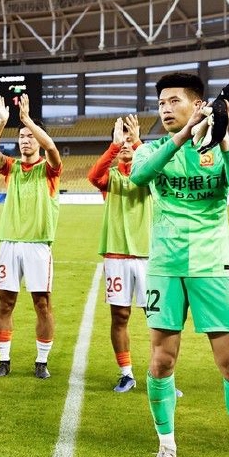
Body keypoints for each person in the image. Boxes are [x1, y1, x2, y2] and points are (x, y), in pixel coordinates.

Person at [130, 72, 229, 457]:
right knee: (161, 360)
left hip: (214, 265)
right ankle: (166, 448)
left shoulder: (224, 146)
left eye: (174, 101)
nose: (165, 109)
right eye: (161, 103)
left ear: (198, 105)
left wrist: (223, 139)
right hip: (166, 266)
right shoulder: (153, 148)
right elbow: (140, 177)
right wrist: (183, 136)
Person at [0, 94, 61, 379]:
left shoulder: (49, 169)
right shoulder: (11, 167)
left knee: (42, 304)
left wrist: (27, 120)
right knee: (4, 302)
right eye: (22, 136)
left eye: (30, 136)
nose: (25, 140)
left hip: (38, 244)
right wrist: (3, 122)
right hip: (9, 242)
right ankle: (4, 360)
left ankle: (41, 361)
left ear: (38, 139)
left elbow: (51, 148)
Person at [87, 115, 151, 393]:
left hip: (149, 256)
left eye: (128, 139)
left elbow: (159, 168)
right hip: (116, 256)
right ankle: (126, 374)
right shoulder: (111, 177)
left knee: (158, 319)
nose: (125, 143)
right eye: (120, 140)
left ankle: (162, 377)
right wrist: (114, 148)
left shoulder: (149, 175)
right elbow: (93, 177)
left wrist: (137, 143)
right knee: (120, 317)